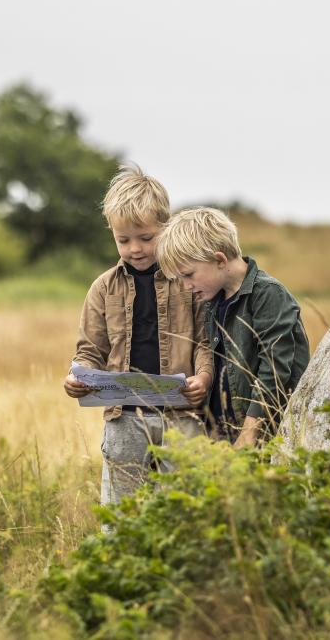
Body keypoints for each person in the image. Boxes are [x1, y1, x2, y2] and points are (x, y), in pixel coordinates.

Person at [64, 165, 213, 506]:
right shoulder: (103, 289)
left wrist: (203, 377)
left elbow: (206, 341)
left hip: (182, 416)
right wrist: (76, 375)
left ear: (166, 226)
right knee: (121, 514)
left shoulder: (188, 282)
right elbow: (89, 349)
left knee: (181, 509)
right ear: (112, 234)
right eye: (123, 240)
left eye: (146, 237)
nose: (135, 248)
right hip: (124, 417)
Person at [155, 207, 309, 448]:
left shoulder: (267, 295)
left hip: (265, 435)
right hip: (223, 436)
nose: (186, 286)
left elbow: (275, 370)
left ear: (219, 260)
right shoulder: (211, 301)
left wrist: (249, 434)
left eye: (188, 275)